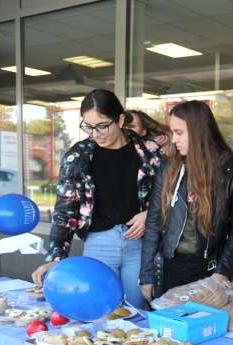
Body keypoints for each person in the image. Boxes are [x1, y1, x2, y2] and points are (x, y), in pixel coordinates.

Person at [31, 89, 163, 308]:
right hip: (99, 243)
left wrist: (150, 215)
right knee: (101, 309)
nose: (95, 133)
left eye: (102, 125)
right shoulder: (78, 155)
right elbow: (65, 211)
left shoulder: (149, 152)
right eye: (88, 126)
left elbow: (170, 196)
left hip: (141, 244)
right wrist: (55, 257)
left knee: (139, 310)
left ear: (120, 120)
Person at [139, 100, 233, 299]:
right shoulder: (168, 168)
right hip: (170, 269)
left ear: (198, 131)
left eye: (179, 133)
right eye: (173, 133)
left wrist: (223, 272)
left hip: (211, 272)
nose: (173, 140)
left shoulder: (232, 171)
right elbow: (154, 221)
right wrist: (146, 276)